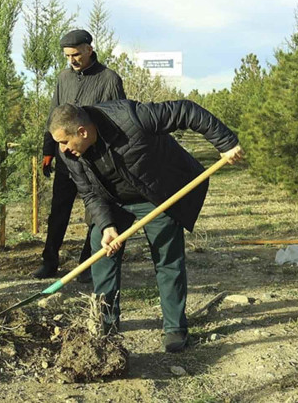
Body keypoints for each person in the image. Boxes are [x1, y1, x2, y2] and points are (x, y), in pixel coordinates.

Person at [48, 100, 243, 352]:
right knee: (101, 249)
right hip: (112, 201)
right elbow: (89, 193)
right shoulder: (70, 154)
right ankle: (106, 326)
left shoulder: (131, 118)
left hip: (158, 194)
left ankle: (175, 328)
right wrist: (107, 225)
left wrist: (225, 143)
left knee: (167, 256)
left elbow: (186, 110)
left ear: (82, 132)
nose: (62, 149)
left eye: (65, 142)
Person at [35, 29, 126, 281]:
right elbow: (53, 116)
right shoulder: (63, 78)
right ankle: (49, 262)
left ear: (89, 49)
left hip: (95, 162)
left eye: (75, 54)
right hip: (65, 158)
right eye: (67, 56)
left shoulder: (109, 79)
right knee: (58, 213)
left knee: (95, 214)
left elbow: (119, 118)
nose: (71, 60)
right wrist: (47, 151)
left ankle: (87, 265)